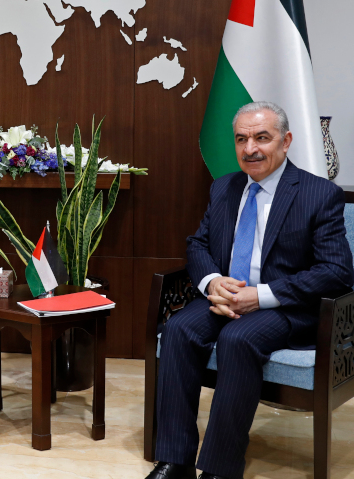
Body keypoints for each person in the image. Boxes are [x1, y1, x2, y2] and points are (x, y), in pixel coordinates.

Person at [146, 102, 354, 479]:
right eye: (241, 139)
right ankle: (175, 461)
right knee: (177, 330)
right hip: (225, 297)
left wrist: (261, 295)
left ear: (286, 140)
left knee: (238, 339)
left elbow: (337, 272)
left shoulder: (318, 194)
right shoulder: (225, 187)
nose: (250, 149)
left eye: (262, 137)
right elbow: (198, 244)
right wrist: (213, 282)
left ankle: (220, 468)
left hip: (285, 305)